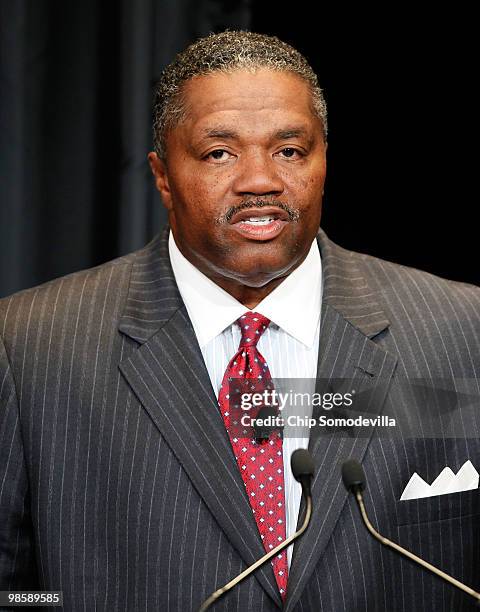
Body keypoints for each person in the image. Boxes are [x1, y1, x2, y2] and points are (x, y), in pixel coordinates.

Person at [1, 30, 479, 612]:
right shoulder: (29, 344)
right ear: (161, 175)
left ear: (325, 160)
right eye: (219, 153)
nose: (260, 181)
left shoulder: (462, 328)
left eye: (290, 151)